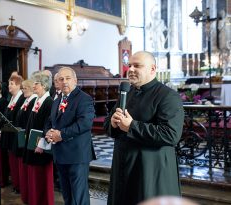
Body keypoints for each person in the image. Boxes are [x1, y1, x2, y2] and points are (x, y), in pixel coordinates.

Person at [104, 51, 184, 205]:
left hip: (150, 170)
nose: (131, 69)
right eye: (130, 65)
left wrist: (131, 126)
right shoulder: (127, 93)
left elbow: (171, 134)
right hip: (123, 165)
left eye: (137, 66)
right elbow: (109, 124)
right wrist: (112, 124)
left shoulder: (168, 96)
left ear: (152, 69)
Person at [46, 67, 95, 205]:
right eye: (61, 79)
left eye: (68, 78)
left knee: (79, 196)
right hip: (60, 153)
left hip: (77, 154)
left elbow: (84, 123)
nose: (64, 82)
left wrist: (61, 134)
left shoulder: (84, 99)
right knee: (67, 194)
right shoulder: (57, 100)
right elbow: (50, 121)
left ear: (75, 80)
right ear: (58, 82)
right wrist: (48, 133)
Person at [23, 71, 54, 205]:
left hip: (41, 146)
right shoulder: (37, 100)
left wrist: (42, 143)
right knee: (34, 177)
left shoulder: (49, 102)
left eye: (36, 84)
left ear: (44, 85)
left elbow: (48, 125)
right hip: (32, 144)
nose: (33, 86)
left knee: (42, 178)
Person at [0, 75, 25, 193]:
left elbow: (18, 118)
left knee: (17, 161)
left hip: (16, 135)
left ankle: (20, 186)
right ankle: (16, 184)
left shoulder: (21, 99)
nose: (9, 86)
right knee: (12, 161)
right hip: (9, 134)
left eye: (12, 84)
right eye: (9, 83)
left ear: (19, 85)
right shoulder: (12, 98)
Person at [16, 79, 37, 203]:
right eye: (22, 87)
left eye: (25, 87)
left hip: (26, 135)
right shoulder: (26, 100)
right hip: (22, 134)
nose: (23, 90)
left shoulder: (33, 100)